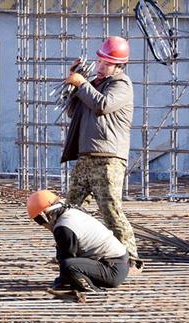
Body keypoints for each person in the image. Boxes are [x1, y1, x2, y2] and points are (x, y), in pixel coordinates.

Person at [60, 36, 143, 272]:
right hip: (87, 156)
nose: (100, 66)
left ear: (119, 65)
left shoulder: (121, 84)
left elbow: (102, 106)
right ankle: (71, 256)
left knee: (110, 210)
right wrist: (74, 85)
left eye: (106, 63)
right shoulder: (95, 84)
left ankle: (132, 260)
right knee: (71, 209)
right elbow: (72, 111)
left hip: (108, 159)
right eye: (99, 61)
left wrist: (83, 84)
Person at [27, 190, 129, 292]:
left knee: (68, 265)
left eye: (39, 220)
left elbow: (68, 260)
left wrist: (50, 227)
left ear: (45, 214)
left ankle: (93, 290)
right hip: (116, 263)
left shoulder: (64, 227)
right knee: (64, 257)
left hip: (112, 270)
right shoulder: (71, 213)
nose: (41, 223)